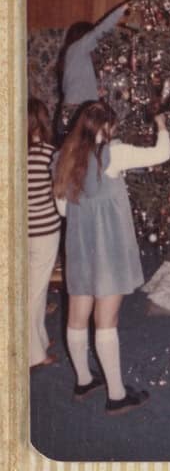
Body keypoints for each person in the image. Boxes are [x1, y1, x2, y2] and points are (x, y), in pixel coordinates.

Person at [53, 100, 170, 415]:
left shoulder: (62, 157)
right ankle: (117, 395)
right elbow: (162, 154)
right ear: (106, 128)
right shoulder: (113, 153)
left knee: (77, 315)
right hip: (109, 249)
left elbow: (62, 210)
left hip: (79, 247)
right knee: (106, 321)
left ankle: (83, 380)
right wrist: (160, 124)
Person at [56, 1, 129, 140]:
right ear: (84, 37)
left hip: (67, 115)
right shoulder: (79, 47)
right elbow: (99, 32)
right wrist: (121, 10)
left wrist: (94, 92)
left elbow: (73, 88)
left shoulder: (70, 55)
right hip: (77, 115)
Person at [28, 97, 62, 368]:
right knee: (35, 290)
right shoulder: (49, 153)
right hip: (44, 230)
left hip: (23, 230)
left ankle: (39, 336)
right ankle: (33, 354)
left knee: (34, 285)